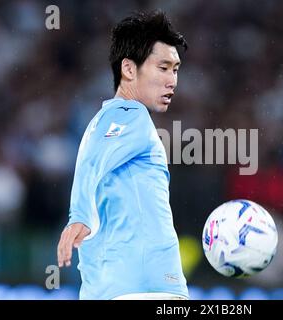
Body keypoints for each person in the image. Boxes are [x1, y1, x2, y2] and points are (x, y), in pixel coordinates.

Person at [56, 11, 189, 300]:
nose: (172, 81)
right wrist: (78, 214)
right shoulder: (131, 113)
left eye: (176, 69)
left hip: (109, 288)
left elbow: (94, 158)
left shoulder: (102, 121)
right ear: (129, 69)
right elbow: (95, 158)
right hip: (146, 287)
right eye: (163, 68)